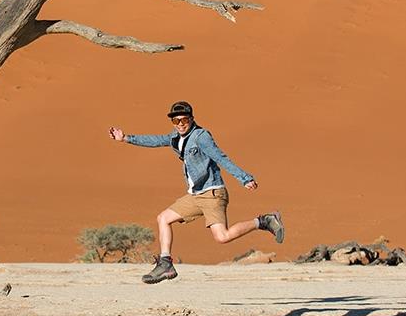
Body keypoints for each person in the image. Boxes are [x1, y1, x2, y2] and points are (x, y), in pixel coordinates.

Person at [108, 100, 284, 284]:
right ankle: (166, 263)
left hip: (212, 193)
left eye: (184, 120)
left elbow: (220, 157)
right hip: (195, 194)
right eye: (176, 121)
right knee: (163, 218)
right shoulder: (176, 137)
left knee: (222, 237)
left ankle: (264, 221)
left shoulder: (201, 137)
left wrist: (244, 178)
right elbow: (156, 140)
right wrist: (126, 138)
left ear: (192, 119)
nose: (181, 124)